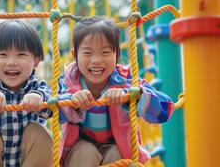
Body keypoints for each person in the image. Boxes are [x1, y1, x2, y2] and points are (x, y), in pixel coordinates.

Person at [58, 16, 174, 167]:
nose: (96, 60)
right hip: (80, 143)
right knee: (85, 153)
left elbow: (165, 110)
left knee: (117, 156)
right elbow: (53, 111)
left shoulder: (126, 79)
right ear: (75, 56)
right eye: (87, 53)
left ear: (117, 55)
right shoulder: (69, 80)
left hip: (118, 144)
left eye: (105, 52)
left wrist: (133, 95)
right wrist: (72, 101)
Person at [0, 20, 53, 167]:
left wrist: (39, 99)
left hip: (28, 159)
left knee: (38, 132)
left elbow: (52, 106)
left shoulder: (37, 86)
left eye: (21, 55)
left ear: (36, 61)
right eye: (3, 54)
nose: (11, 62)